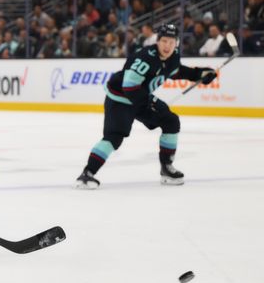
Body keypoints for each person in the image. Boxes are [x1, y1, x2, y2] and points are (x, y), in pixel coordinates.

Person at [75, 23, 217, 188]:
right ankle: (87, 174)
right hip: (120, 98)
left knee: (171, 121)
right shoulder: (144, 57)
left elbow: (175, 71)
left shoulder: (174, 55)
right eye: (164, 41)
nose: (167, 46)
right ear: (158, 41)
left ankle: (166, 168)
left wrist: (199, 74)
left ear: (176, 43)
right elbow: (129, 87)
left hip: (140, 97)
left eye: (171, 42)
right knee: (115, 137)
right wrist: (149, 103)